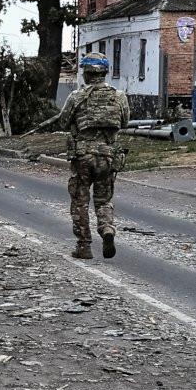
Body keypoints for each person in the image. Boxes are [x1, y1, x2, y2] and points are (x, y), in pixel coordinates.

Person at [37, 52, 129, 259]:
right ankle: (107, 229)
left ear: (86, 73)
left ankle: (84, 246)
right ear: (105, 72)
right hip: (108, 156)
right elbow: (124, 122)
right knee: (104, 199)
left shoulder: (76, 96)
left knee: (80, 201)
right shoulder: (119, 96)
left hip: (82, 156)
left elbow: (63, 122)